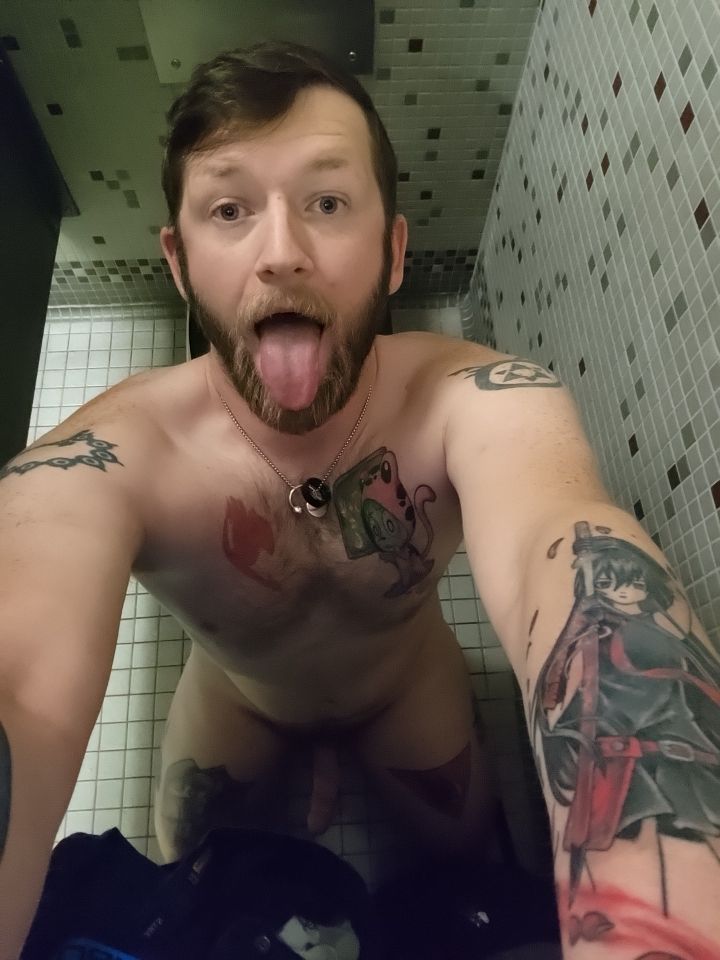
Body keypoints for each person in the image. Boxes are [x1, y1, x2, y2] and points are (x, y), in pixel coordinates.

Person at [0, 39, 717, 959]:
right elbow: (20, 666)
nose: (282, 254)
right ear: (178, 262)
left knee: (468, 861)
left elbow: (577, 559)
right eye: (230, 210)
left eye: (328, 203)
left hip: (404, 687)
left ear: (393, 250)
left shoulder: (477, 402)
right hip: (238, 696)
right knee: (195, 873)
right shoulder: (117, 455)